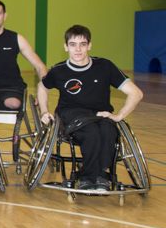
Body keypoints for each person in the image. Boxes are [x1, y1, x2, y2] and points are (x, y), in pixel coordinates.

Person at [37, 25, 143, 191]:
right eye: (73, 44)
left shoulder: (105, 66)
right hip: (71, 115)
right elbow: (42, 87)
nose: (78, 49)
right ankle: (89, 177)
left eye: (83, 44)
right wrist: (44, 111)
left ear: (89, 45)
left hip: (100, 114)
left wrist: (119, 115)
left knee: (108, 132)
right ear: (66, 47)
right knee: (92, 132)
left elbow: (136, 93)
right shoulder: (59, 71)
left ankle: (98, 176)